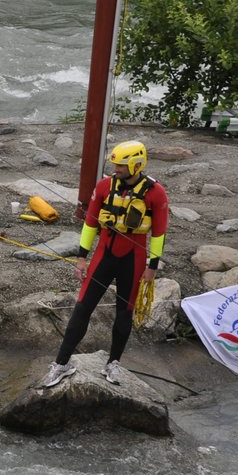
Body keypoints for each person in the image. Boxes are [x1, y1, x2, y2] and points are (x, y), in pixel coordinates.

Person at [40, 139, 169, 389]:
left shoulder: (156, 193)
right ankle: (61, 364)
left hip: (133, 259)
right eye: (115, 165)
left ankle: (113, 363)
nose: (116, 169)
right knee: (82, 307)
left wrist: (152, 267)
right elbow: (90, 223)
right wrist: (81, 257)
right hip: (104, 255)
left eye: (121, 165)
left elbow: (159, 233)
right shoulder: (104, 187)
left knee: (124, 312)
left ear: (136, 164)